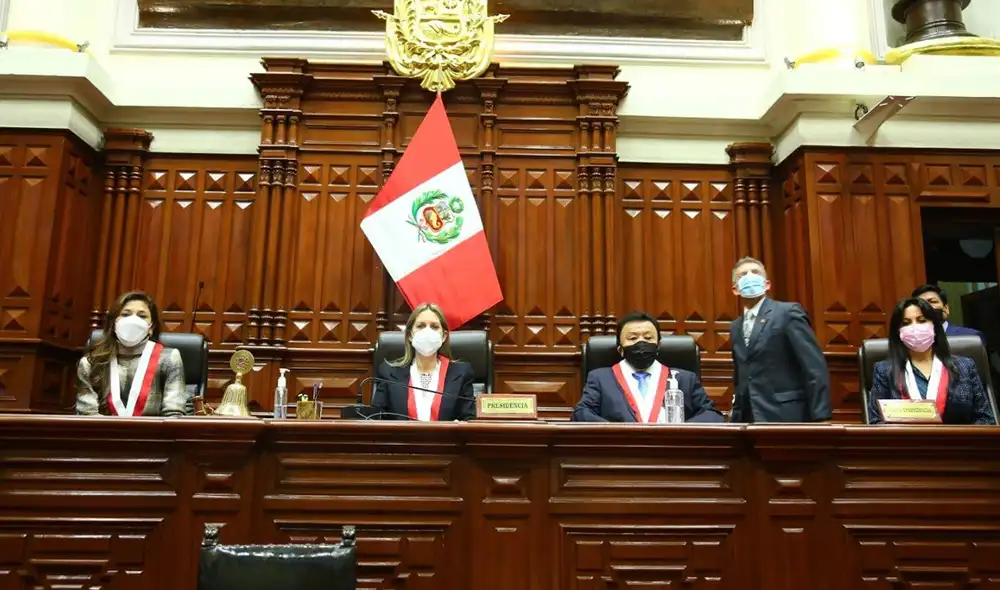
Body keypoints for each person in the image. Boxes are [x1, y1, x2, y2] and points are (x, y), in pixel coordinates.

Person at [729, 257, 831, 423]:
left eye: (755, 272)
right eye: (743, 275)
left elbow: (814, 366)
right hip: (748, 418)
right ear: (735, 289)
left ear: (767, 284)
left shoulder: (788, 313)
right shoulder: (735, 326)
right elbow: (741, 375)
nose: (749, 276)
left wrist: (822, 416)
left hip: (785, 415)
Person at [572, 311, 723, 423]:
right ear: (620, 349)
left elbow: (712, 414)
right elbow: (581, 413)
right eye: (633, 338)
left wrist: (680, 431)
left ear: (658, 345)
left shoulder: (685, 379)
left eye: (648, 337)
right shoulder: (600, 378)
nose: (641, 343)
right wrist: (617, 433)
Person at [867, 297, 995, 425]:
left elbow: (985, 419)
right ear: (898, 332)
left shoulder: (965, 367)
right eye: (906, 323)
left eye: (921, 320)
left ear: (934, 326)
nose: (914, 328)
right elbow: (876, 422)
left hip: (959, 443)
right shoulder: (884, 370)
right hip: (907, 443)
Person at [77, 291, 188, 417]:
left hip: (153, 435)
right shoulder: (91, 363)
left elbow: (173, 415)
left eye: (142, 316)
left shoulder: (169, 359)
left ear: (151, 327)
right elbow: (87, 415)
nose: (133, 320)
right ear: (113, 324)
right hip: (103, 434)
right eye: (125, 314)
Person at [371, 303, 477, 421]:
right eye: (421, 326)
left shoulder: (461, 373)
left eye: (434, 326)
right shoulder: (389, 372)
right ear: (410, 335)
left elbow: (469, 419)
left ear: (444, 336)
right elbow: (376, 418)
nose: (427, 331)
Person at [911, 284, 985, 340]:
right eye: (921, 303)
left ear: (946, 309)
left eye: (932, 302)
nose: (927, 307)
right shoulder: (911, 340)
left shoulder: (971, 337)